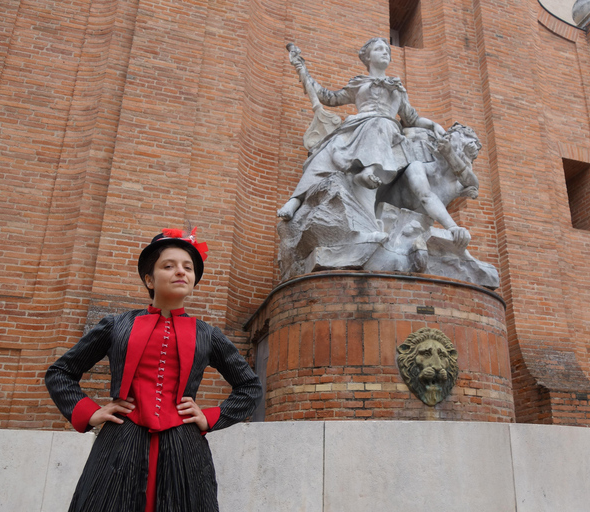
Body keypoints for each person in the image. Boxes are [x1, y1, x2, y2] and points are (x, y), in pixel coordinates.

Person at [46, 227, 262, 512]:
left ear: (194, 280)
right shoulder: (116, 325)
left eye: (188, 267)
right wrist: (91, 412)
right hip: (120, 444)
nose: (180, 272)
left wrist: (210, 417)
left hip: (184, 449)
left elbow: (250, 387)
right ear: (149, 279)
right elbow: (61, 372)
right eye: (168, 266)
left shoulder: (208, 335)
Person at [277, 37, 446, 221]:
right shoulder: (358, 84)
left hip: (386, 127)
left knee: (379, 123)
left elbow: (412, 118)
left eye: (387, 51)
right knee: (326, 150)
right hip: (357, 126)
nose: (385, 52)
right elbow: (328, 97)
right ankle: (295, 200)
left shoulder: (397, 88)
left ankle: (370, 170)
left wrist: (433, 125)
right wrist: (303, 70)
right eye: (379, 49)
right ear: (367, 57)